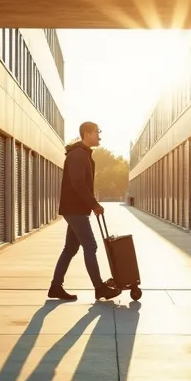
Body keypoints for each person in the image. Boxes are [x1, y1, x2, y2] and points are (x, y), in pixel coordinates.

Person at [50, 121, 121, 302]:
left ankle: (56, 287)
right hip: (75, 209)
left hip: (75, 208)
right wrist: (94, 204)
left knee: (70, 249)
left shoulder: (83, 154)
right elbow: (78, 183)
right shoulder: (79, 155)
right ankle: (100, 288)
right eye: (97, 132)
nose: (99, 135)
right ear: (87, 133)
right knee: (90, 246)